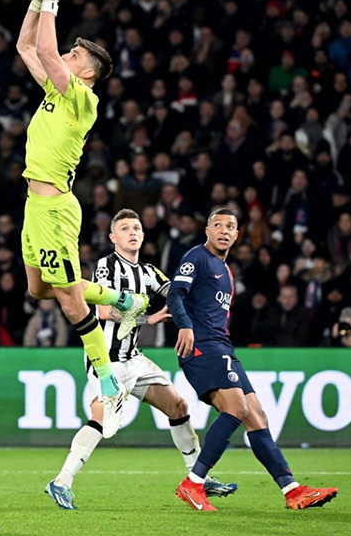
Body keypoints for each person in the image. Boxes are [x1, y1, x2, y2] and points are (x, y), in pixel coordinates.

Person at [15, 0, 148, 437]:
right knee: (38, 290)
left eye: (73, 55)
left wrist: (53, 0)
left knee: (71, 302)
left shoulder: (82, 98)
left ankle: (108, 382)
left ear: (86, 72)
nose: (66, 55)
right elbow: (26, 46)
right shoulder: (57, 90)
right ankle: (124, 300)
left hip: (55, 208)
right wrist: (36, 2)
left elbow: (46, 51)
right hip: (34, 206)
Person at [45, 209, 238, 510]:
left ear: (143, 235)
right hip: (106, 359)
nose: (132, 232)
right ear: (113, 237)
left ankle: (198, 479)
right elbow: (104, 311)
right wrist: (149, 319)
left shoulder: (148, 272)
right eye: (124, 228)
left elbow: (176, 292)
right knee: (101, 418)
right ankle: (61, 481)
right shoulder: (107, 266)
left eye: (136, 228)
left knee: (178, 406)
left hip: (133, 358)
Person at [167, 208, 338, 511]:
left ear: (236, 235)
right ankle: (193, 483)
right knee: (236, 408)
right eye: (217, 225)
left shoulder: (226, 270)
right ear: (207, 231)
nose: (223, 230)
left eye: (230, 226)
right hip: (202, 346)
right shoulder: (197, 257)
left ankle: (292, 490)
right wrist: (185, 326)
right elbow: (175, 294)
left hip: (222, 347)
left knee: (257, 417)